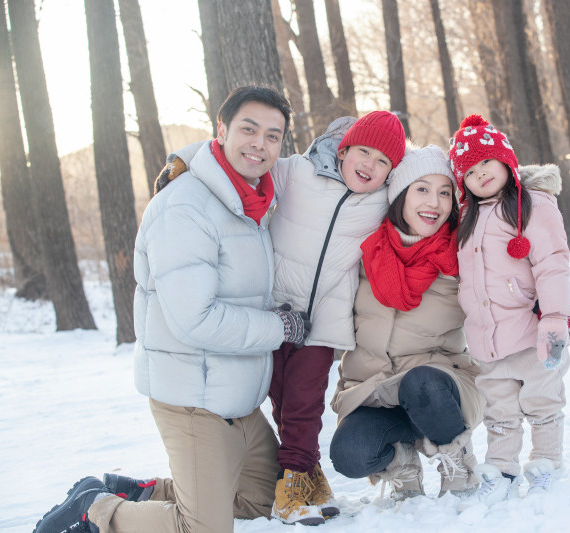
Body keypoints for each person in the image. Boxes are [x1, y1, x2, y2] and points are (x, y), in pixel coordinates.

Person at [33, 86, 311, 533]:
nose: (261, 143)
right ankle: (96, 512)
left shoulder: (252, 203)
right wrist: (280, 326)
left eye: (274, 136)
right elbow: (195, 319)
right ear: (220, 130)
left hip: (234, 398)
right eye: (249, 129)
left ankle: (130, 490)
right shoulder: (185, 208)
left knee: (262, 498)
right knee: (202, 528)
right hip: (192, 398)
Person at [152, 110, 406, 525]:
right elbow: (242, 166)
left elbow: (427, 182)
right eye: (363, 152)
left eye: (383, 162)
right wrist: (182, 162)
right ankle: (307, 469)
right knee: (281, 399)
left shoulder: (382, 199)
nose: (370, 166)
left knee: (305, 403)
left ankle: (293, 481)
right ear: (343, 149)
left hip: (324, 319)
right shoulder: (295, 172)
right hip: (271, 309)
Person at [329, 144, 483, 501]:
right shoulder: (365, 253)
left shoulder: (461, 256)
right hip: (374, 391)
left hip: (440, 388)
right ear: (400, 195)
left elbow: (508, 295)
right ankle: (401, 463)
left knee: (422, 382)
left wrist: (556, 314)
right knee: (349, 456)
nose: (435, 202)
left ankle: (457, 463)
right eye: (423, 189)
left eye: (445, 192)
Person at [448, 114, 570, 510]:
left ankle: (546, 466)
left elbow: (553, 263)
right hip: (488, 340)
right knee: (500, 412)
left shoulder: (533, 205)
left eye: (486, 163)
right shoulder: (468, 218)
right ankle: (501, 469)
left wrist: (556, 319)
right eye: (470, 171)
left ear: (505, 161)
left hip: (532, 333)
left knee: (543, 404)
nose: (480, 175)